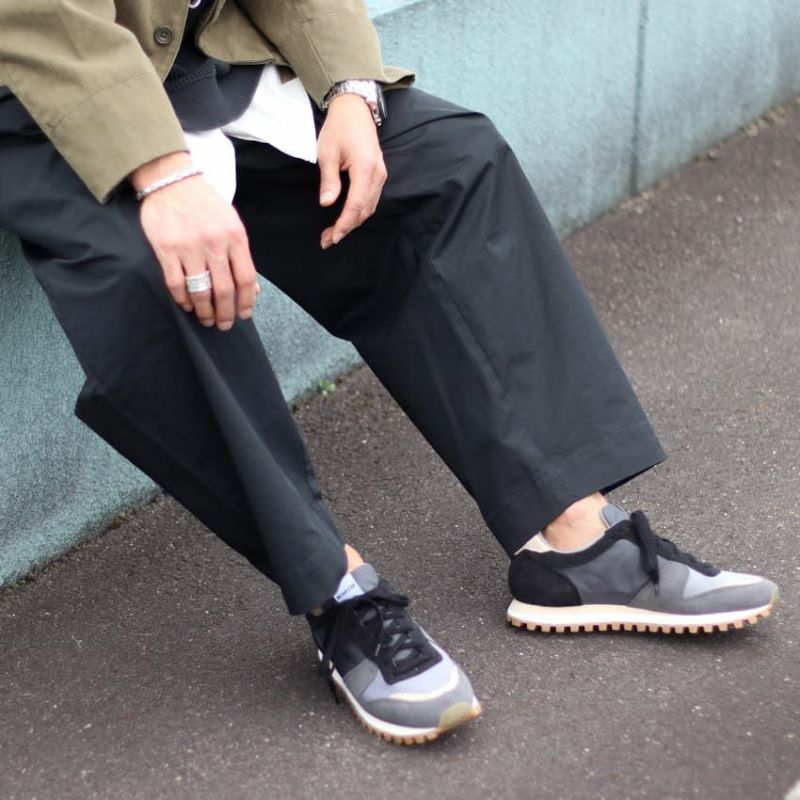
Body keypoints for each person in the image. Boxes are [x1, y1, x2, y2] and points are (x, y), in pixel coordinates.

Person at [0, 0, 778, 745]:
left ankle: (573, 541)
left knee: (451, 160)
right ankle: (339, 595)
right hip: (48, 90)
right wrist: (165, 176)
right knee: (158, 279)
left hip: (200, 63)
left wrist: (349, 87)